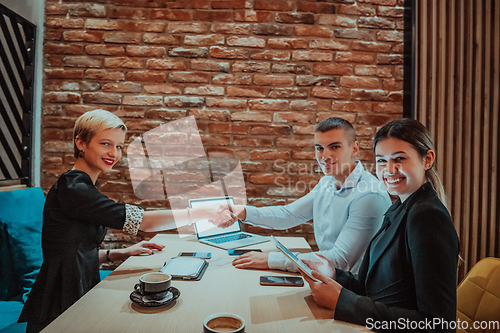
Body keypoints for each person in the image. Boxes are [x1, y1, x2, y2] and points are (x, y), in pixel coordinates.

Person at [19, 110, 231, 332]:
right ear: (81, 143)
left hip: (78, 292)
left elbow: (72, 252)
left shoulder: (80, 186)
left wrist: (121, 253)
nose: (114, 153)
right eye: (105, 144)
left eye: (119, 146)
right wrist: (201, 212)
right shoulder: (74, 187)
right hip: (60, 306)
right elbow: (143, 222)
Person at [301, 118, 460, 332]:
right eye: (382, 161)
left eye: (400, 159)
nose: (389, 170)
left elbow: (437, 324)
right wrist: (334, 274)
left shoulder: (427, 217)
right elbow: (374, 287)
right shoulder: (400, 207)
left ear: (427, 159)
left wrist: (343, 302)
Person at [223, 117, 391, 274]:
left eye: (334, 147)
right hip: (328, 278)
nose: (325, 156)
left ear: (354, 148)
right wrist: (243, 212)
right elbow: (290, 214)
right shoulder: (327, 183)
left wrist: (271, 260)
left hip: (352, 290)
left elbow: (340, 261)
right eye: (320, 148)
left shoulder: (368, 195)